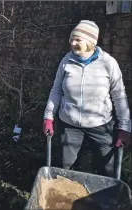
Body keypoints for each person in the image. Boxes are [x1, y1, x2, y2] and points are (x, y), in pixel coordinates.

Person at [43, 20, 131, 177]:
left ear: (91, 41)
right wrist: (48, 117)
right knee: (66, 167)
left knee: (108, 168)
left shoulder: (108, 63)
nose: (72, 43)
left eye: (77, 39)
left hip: (100, 124)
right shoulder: (66, 62)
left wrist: (124, 127)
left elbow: (119, 96)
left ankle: (105, 198)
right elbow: (56, 90)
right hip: (69, 124)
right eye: (71, 39)